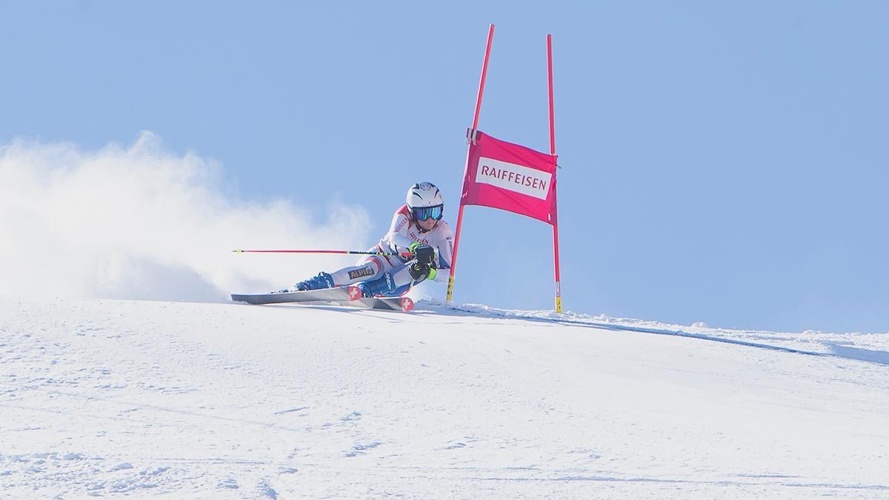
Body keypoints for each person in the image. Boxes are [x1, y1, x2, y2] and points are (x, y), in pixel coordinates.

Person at [287, 181, 454, 298]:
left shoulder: (442, 231)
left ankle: (367, 291)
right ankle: (313, 284)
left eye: (435, 212)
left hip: (398, 281)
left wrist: (430, 273)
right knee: (368, 270)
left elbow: (449, 275)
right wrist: (414, 246)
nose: (430, 219)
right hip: (382, 258)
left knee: (422, 266)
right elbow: (394, 237)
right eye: (424, 214)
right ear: (412, 211)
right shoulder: (403, 214)